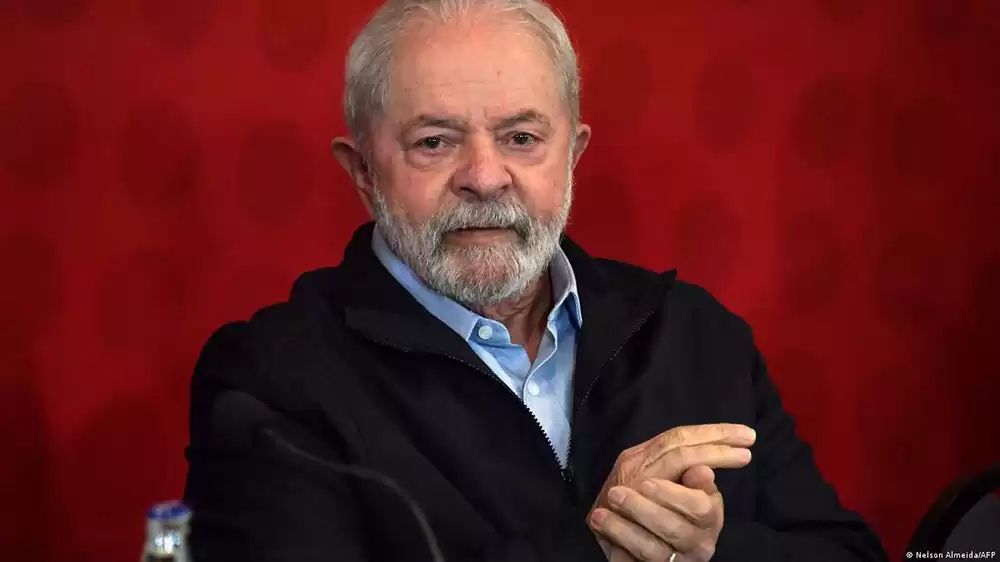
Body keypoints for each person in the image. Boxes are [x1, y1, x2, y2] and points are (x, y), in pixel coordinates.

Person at [183, 1, 889, 561]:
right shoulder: (270, 383)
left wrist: (702, 551)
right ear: (364, 173)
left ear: (572, 155)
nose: (485, 177)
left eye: (521, 138)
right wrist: (596, 547)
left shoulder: (695, 333)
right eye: (434, 142)